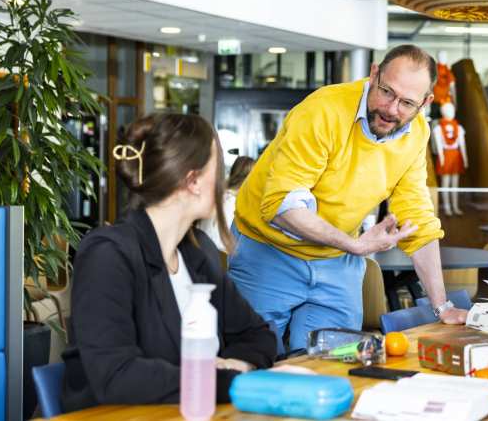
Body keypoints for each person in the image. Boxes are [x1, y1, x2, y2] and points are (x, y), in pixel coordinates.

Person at [230, 44, 467, 352]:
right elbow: (282, 204)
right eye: (386, 92)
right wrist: (355, 246)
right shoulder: (323, 110)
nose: (392, 109)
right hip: (267, 251)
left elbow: (417, 217)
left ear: (425, 103)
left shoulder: (416, 131)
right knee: (252, 360)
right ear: (373, 75)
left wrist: (442, 307)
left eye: (407, 102)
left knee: (331, 364)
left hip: (336, 263)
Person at [62, 113, 279, 411]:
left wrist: (236, 364)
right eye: (217, 168)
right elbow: (116, 376)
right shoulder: (108, 255)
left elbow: (258, 335)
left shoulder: (196, 252)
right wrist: (223, 380)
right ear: (192, 181)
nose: (222, 179)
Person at [198, 155, 255, 251]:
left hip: (204, 253)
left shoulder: (218, 196)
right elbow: (222, 244)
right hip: (218, 258)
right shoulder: (233, 204)